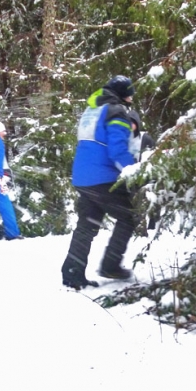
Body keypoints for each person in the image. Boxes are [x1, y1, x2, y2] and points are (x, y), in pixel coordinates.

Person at [61, 75, 139, 289]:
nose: (132, 100)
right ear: (124, 94)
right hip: (104, 178)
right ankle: (111, 265)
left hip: (83, 178)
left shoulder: (92, 110)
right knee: (129, 218)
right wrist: (135, 172)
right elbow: (117, 151)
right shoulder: (117, 111)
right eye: (130, 95)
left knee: (87, 225)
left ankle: (72, 273)